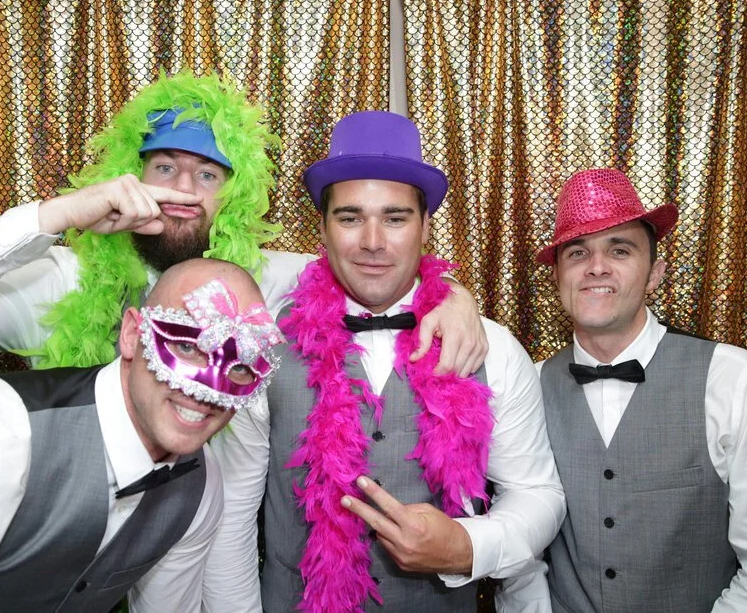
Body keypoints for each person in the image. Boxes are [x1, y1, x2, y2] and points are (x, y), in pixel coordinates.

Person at [0, 70, 485, 374]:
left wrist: (450, 295)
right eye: (164, 167)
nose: (181, 192)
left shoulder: (271, 285)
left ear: (233, 195)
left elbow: (375, 271)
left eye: (206, 175)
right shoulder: (53, 285)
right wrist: (56, 215)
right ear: (126, 172)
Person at [203, 111, 565, 612]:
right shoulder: (262, 344)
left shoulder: (492, 348)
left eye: (395, 218)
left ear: (423, 227)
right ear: (323, 231)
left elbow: (538, 494)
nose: (372, 241)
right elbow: (231, 515)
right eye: (350, 217)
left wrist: (468, 547)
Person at [0, 258, 285, 612]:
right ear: (132, 335)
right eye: (186, 346)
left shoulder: (199, 489)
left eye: (241, 365)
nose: (210, 388)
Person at [531, 168, 747, 611]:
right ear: (557, 276)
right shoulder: (527, 387)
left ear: (654, 273)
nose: (597, 267)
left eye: (620, 250)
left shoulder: (734, 380)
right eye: (577, 253)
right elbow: (522, 559)